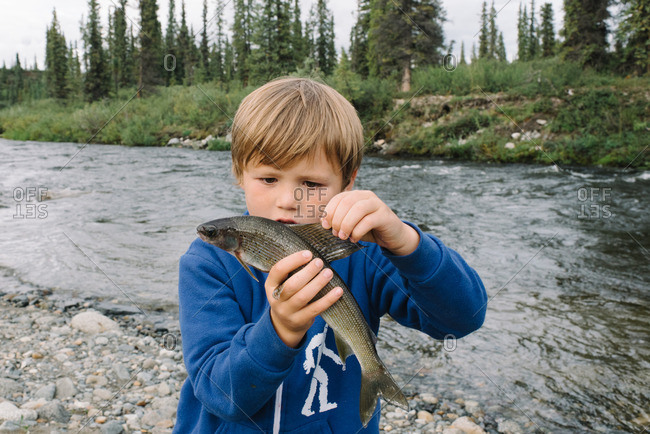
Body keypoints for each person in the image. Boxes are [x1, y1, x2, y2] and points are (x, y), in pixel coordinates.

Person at [174, 77, 487, 433]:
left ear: (347, 183)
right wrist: (280, 330)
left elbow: (464, 318)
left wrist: (406, 243)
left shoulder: (365, 251)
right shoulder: (207, 264)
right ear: (240, 174)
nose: (288, 199)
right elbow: (222, 395)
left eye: (311, 184)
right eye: (268, 179)